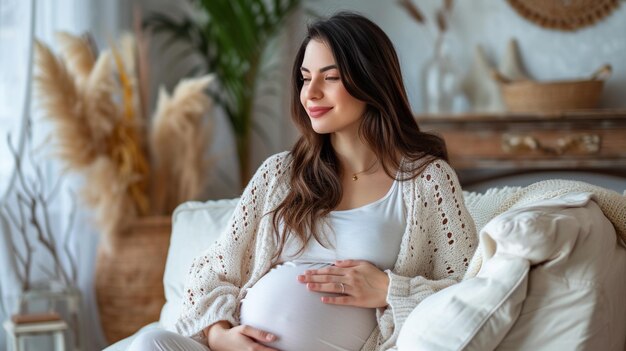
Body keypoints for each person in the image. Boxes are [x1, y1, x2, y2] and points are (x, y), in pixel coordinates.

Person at [129, 11, 477, 351]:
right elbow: (212, 271)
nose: (310, 93)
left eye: (330, 77)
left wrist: (389, 289)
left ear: (370, 80)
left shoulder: (426, 180)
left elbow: (468, 290)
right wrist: (221, 336)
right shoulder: (280, 173)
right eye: (305, 77)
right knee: (148, 343)